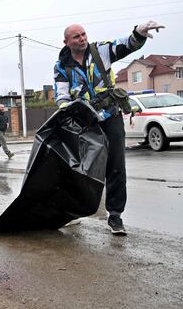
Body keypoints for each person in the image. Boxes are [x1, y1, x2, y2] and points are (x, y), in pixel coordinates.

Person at [53, 21, 164, 235]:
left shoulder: (100, 50)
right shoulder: (61, 66)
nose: (82, 38)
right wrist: (68, 111)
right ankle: (72, 212)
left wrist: (138, 34)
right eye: (76, 37)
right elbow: (62, 96)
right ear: (66, 42)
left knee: (116, 166)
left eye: (84, 34)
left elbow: (125, 45)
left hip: (111, 115)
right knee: (79, 168)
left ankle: (115, 216)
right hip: (85, 121)